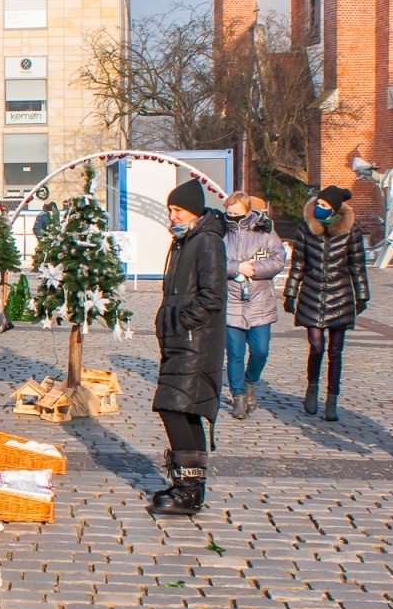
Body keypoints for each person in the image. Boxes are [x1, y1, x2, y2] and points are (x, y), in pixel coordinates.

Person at [150, 179, 227, 516]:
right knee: (184, 409)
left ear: (194, 211)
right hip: (182, 340)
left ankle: (188, 489)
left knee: (173, 406)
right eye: (170, 209)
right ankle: (190, 488)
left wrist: (180, 322)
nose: (173, 216)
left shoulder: (207, 241)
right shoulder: (185, 241)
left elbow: (213, 296)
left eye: (178, 210)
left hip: (195, 342)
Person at [283, 185, 370, 421]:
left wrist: (362, 295)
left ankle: (332, 399)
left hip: (340, 294)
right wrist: (290, 293)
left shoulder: (351, 231)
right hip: (312, 293)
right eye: (318, 204)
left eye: (324, 205)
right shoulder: (306, 228)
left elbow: (357, 266)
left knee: (335, 351)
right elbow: (298, 264)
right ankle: (312, 386)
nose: (318, 208)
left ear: (335, 208)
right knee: (316, 345)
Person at [223, 192, 288, 419]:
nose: (233, 217)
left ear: (248, 212)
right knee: (235, 353)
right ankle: (238, 396)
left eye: (237, 214)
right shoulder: (221, 232)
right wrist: (235, 268)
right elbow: (213, 260)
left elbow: (278, 259)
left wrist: (255, 269)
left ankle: (249, 382)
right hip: (231, 300)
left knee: (260, 350)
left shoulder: (264, 231)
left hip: (259, 300)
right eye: (229, 213)